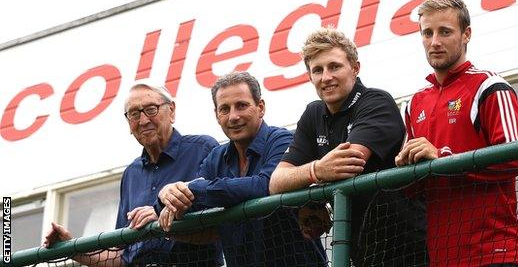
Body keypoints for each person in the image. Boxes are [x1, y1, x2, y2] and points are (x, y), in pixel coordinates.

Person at [269, 27, 427, 266]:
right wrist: (315, 174)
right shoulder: (313, 113)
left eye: (335, 66)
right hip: (362, 253)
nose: (326, 77)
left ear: (355, 68)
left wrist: (308, 177)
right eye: (317, 70)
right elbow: (276, 182)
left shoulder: (376, 102)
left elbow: (348, 162)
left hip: (408, 248)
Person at [395, 0, 518, 266]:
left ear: (466, 34)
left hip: (494, 253)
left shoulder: (490, 86)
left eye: (445, 32)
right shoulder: (414, 103)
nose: (434, 42)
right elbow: (418, 190)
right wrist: (406, 173)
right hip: (441, 258)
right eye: (427, 33)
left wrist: (441, 159)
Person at [42, 82, 223, 267]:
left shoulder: (203, 149)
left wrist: (160, 214)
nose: (143, 121)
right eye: (134, 114)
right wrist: (71, 248)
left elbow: (221, 222)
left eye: (151, 109)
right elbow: (122, 254)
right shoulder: (131, 174)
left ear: (172, 111)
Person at [156, 71, 327, 267]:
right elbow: (189, 199)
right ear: (216, 115)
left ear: (260, 107)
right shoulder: (216, 158)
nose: (233, 116)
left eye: (241, 106)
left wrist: (194, 190)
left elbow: (266, 185)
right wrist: (167, 197)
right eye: (224, 109)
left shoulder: (282, 140)